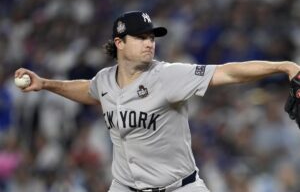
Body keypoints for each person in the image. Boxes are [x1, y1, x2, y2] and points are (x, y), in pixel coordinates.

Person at [15, 11, 300, 192]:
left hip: (180, 187)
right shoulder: (104, 79)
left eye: (152, 37)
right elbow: (90, 91)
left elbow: (227, 71)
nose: (150, 43)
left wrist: (284, 66)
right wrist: (46, 84)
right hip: (124, 186)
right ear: (119, 43)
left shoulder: (168, 75)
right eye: (140, 37)